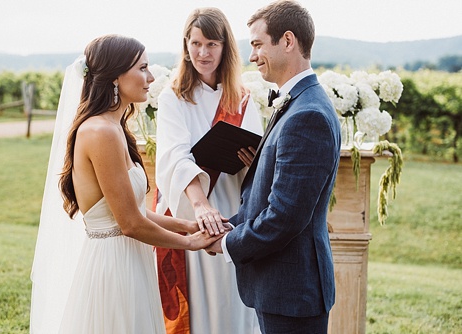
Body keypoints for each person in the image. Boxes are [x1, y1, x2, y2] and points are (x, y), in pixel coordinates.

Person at [29, 34, 222, 334]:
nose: (151, 77)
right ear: (116, 76)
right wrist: (189, 243)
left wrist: (187, 225)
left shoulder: (114, 127)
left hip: (130, 260)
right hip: (113, 266)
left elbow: (135, 213)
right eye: (142, 68)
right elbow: (130, 223)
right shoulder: (99, 132)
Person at [206, 1, 341, 333]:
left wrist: (227, 243)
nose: (251, 56)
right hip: (283, 288)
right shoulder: (298, 103)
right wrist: (229, 225)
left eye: (257, 44)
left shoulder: (307, 115)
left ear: (288, 41)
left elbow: (285, 216)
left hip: (293, 292)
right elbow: (271, 197)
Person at [154, 7, 263, 334]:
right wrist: (201, 206)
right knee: (201, 306)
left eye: (212, 44)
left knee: (232, 301)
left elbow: (259, 160)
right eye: (196, 43)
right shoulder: (173, 96)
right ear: (185, 45)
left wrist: (252, 159)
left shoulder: (242, 98)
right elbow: (175, 156)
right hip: (192, 210)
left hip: (232, 206)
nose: (203, 53)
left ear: (225, 47)